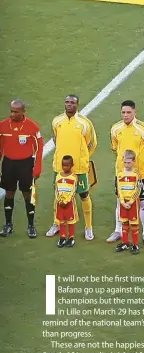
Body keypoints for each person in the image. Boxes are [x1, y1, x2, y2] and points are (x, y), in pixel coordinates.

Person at [46, 94, 97, 241]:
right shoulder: (57, 121)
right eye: (67, 102)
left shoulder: (85, 123)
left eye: (72, 103)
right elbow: (55, 139)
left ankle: (88, 227)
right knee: (59, 195)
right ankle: (57, 223)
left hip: (79, 167)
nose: (69, 105)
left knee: (84, 195)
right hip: (60, 167)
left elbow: (91, 143)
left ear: (77, 105)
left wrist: (82, 157)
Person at [107, 101, 144, 246]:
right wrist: (123, 167)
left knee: (142, 202)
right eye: (123, 112)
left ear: (135, 112)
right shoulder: (116, 129)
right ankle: (118, 230)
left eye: (128, 112)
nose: (125, 115)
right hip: (121, 174)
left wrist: (141, 166)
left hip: (140, 175)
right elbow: (115, 148)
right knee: (120, 201)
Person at [0, 100, 43, 238]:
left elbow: (39, 148)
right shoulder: (3, 126)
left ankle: (31, 226)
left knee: (28, 195)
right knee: (9, 193)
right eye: (11, 111)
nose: (12, 114)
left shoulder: (32, 127)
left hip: (26, 164)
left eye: (15, 112)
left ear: (23, 112)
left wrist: (37, 167)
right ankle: (8, 225)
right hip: (8, 164)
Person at [115, 150, 141, 255]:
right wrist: (122, 202)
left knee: (134, 224)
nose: (126, 165)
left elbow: (138, 189)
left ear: (134, 161)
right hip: (123, 203)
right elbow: (119, 189)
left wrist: (130, 201)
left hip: (133, 203)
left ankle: (135, 244)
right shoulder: (120, 174)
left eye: (129, 162)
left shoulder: (136, 174)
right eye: (125, 162)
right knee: (124, 223)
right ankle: (125, 242)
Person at [54, 155, 78, 248]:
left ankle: (71, 237)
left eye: (67, 165)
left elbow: (73, 191)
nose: (65, 167)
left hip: (69, 204)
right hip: (60, 204)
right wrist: (59, 200)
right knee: (62, 221)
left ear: (72, 165)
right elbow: (56, 189)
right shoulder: (58, 176)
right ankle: (62, 237)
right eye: (63, 165)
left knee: (71, 221)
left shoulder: (73, 177)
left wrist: (66, 201)